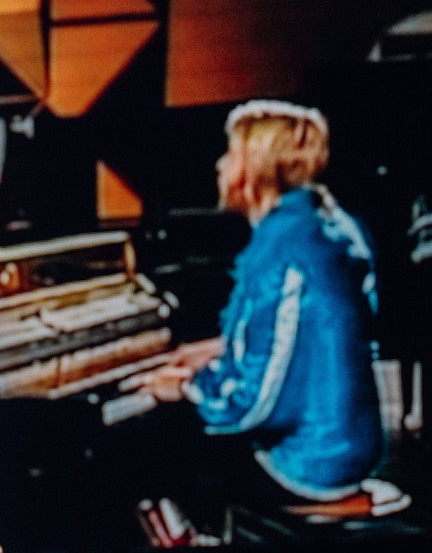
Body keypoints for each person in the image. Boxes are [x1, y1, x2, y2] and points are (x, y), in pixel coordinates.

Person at [135, 100, 406, 524]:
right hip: (355, 440)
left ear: (253, 169)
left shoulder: (280, 252)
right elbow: (319, 331)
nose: (220, 166)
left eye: (230, 154)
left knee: (149, 444)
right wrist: (221, 348)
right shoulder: (334, 225)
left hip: (309, 462)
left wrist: (185, 387)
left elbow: (251, 403)